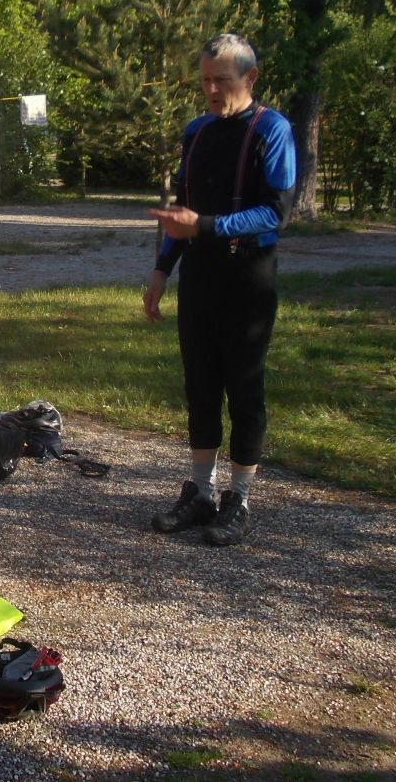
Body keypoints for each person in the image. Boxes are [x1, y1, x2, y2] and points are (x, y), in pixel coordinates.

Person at [142, 33, 296, 546]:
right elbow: (182, 211)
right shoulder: (198, 133)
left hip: (248, 277)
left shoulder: (272, 130)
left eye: (222, 80)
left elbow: (275, 212)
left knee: (244, 389)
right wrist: (163, 271)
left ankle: (240, 499)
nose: (211, 89)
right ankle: (201, 492)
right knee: (201, 387)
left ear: (249, 79)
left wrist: (205, 226)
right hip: (201, 278)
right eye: (205, 80)